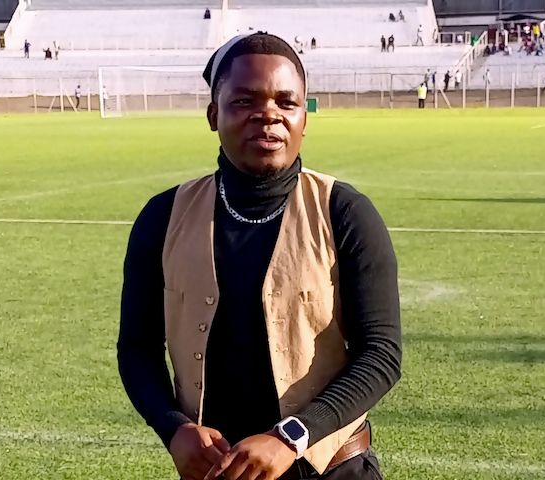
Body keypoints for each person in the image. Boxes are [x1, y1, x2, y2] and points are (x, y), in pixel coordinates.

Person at [117, 32, 401, 480]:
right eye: (245, 101)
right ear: (214, 114)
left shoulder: (345, 212)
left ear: (305, 117)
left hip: (330, 468)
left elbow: (381, 354)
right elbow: (137, 348)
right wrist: (173, 428)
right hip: (215, 470)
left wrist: (293, 436)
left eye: (287, 103)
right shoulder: (163, 216)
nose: (267, 115)